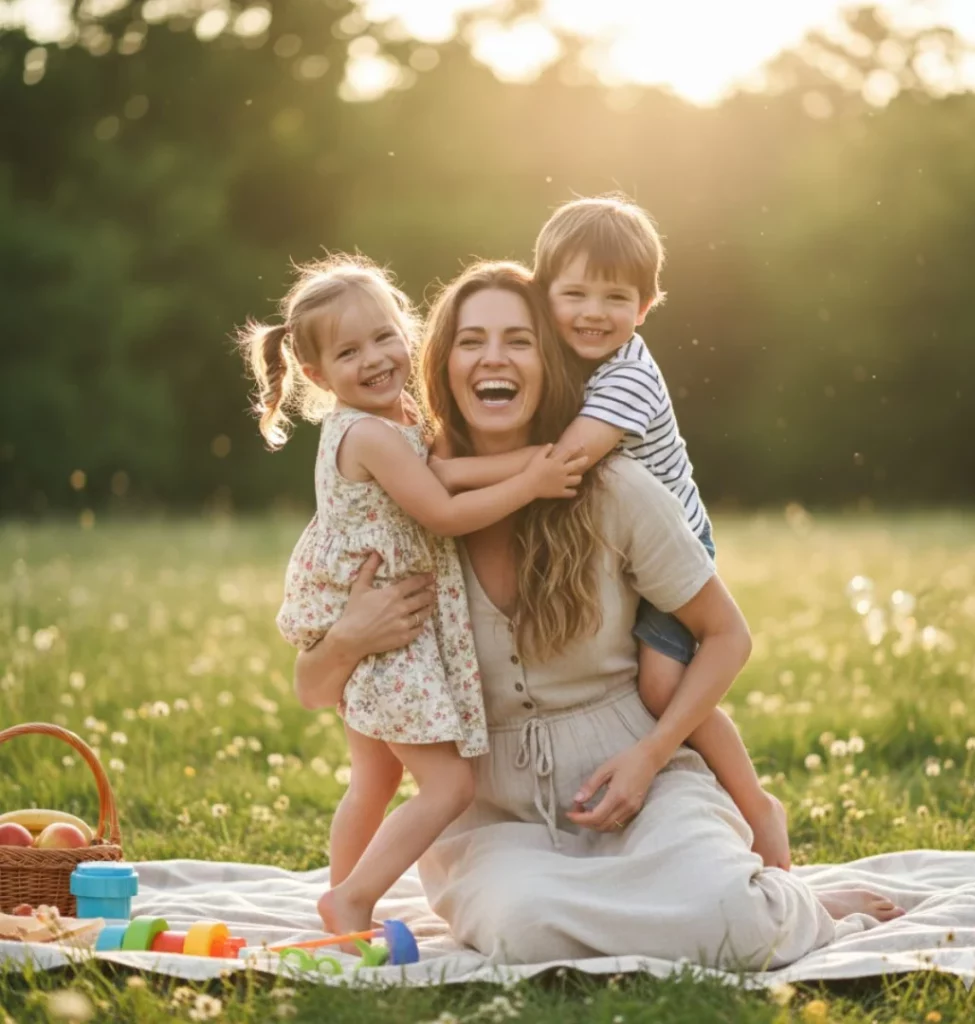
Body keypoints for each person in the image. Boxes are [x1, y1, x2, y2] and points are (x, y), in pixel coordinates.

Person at [294, 260, 903, 968]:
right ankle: (695, 902)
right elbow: (315, 690)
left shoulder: (612, 485)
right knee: (525, 930)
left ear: (548, 359)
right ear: (444, 361)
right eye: (472, 341)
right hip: (493, 816)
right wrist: (348, 637)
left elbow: (724, 634)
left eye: (518, 340)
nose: (495, 357)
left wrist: (650, 755)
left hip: (639, 780)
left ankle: (787, 903)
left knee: (737, 920)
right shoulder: (402, 507)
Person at [431, 195, 790, 869]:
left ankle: (757, 808)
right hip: (506, 789)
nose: (594, 313)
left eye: (616, 297)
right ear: (544, 296)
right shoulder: (563, 362)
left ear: (645, 307)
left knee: (658, 689)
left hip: (676, 536)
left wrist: (451, 477)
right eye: (574, 294)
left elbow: (564, 464)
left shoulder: (626, 377)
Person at [238, 254, 585, 939]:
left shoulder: (394, 419)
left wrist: (526, 456)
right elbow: (443, 510)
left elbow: (449, 469)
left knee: (370, 778)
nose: (374, 358)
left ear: (408, 333)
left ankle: (342, 900)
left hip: (380, 622)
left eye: (384, 337)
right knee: (449, 787)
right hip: (390, 636)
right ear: (315, 374)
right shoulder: (366, 432)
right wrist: (530, 483)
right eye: (348, 351)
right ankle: (353, 898)